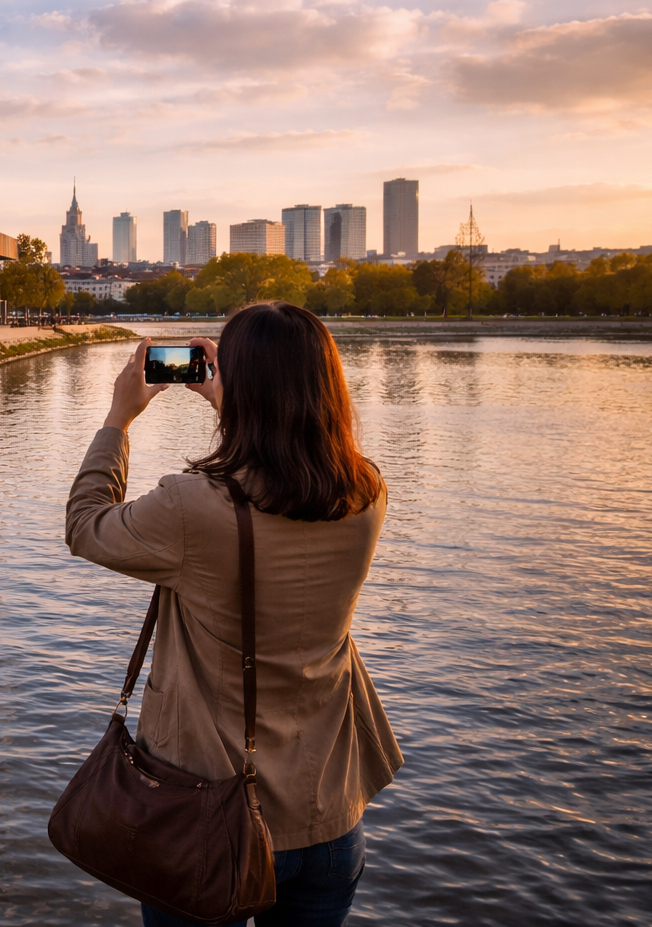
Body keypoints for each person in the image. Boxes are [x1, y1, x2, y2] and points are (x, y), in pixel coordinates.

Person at [64, 302, 402, 927]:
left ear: (240, 386)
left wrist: (119, 417)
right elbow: (283, 471)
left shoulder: (192, 508)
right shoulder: (365, 493)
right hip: (327, 818)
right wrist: (236, 404)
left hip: (204, 818)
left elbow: (86, 525)